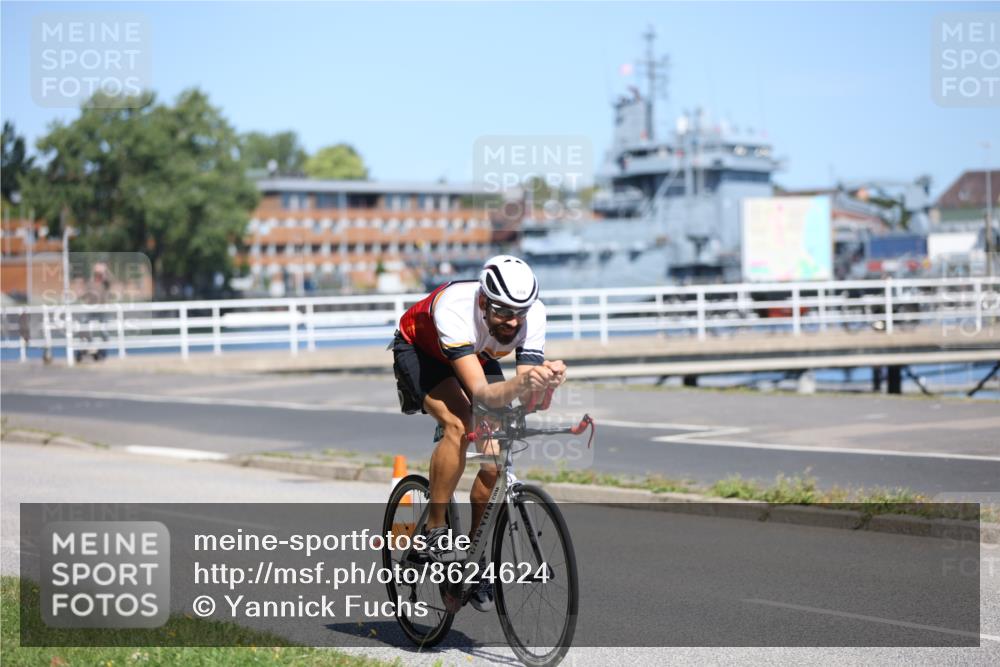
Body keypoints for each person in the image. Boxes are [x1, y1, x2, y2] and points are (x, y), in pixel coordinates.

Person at [390, 255, 566, 611]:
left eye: (521, 312)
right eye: (503, 311)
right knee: (459, 423)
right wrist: (521, 383)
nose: (513, 321)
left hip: (475, 352)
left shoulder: (531, 316)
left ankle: (474, 558)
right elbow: (483, 396)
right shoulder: (455, 308)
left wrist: (546, 384)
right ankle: (434, 531)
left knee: (494, 461)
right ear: (483, 301)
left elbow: (527, 401)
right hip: (423, 352)